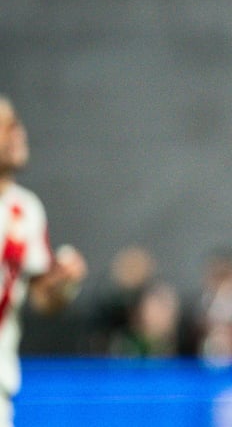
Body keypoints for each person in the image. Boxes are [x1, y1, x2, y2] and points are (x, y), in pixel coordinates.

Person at [0, 95, 87, 426]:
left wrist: (64, 282)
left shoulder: (26, 209)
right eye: (7, 126)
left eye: (18, 125)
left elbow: (41, 300)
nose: (19, 134)